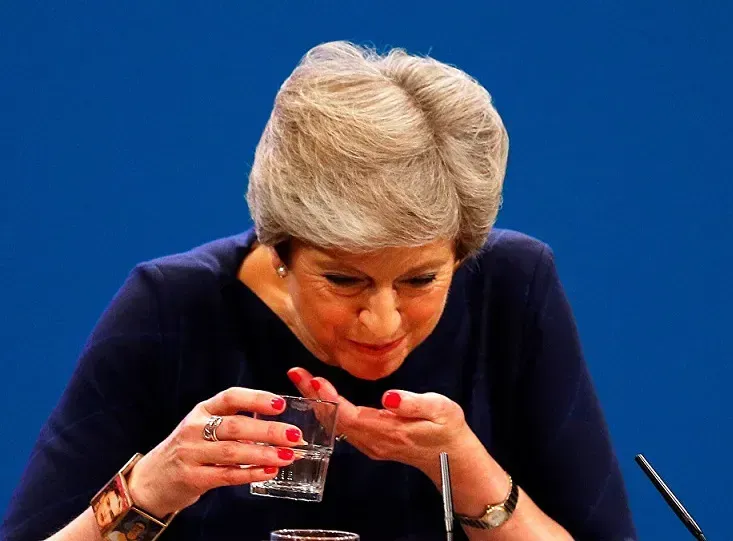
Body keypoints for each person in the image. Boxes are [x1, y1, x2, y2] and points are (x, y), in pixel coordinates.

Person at [1, 41, 637, 541]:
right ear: (280, 249)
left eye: (420, 279)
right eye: (343, 279)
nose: (382, 321)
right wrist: (150, 489)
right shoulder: (171, 307)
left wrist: (467, 469)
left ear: (463, 254)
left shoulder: (513, 286)